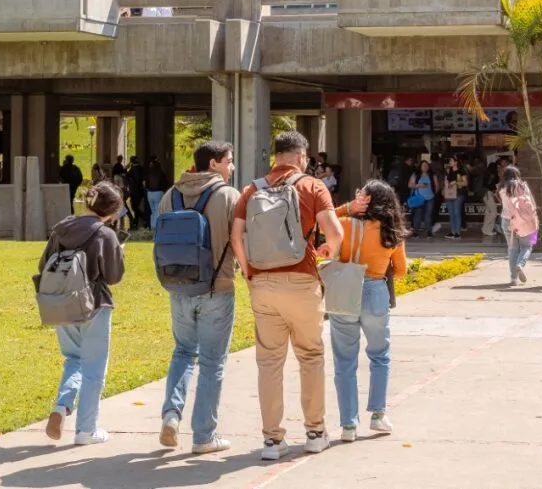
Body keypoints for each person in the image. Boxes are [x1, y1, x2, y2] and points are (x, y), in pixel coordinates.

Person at [230, 130, 343, 461]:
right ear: (300, 156)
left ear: (276, 156)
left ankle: (271, 440)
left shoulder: (251, 190)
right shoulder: (311, 186)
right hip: (302, 280)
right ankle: (315, 432)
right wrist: (328, 250)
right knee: (310, 356)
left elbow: (237, 237)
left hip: (262, 283)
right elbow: (334, 232)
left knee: (269, 362)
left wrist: (249, 271)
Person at [158, 141, 241, 455]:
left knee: (182, 352)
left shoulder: (170, 196)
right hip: (216, 289)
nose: (231, 168)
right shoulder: (228, 196)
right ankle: (204, 435)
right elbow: (238, 240)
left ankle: (170, 414)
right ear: (215, 162)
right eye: (229, 161)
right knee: (211, 362)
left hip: (178, 287)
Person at [42, 181, 125, 446]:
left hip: (62, 302)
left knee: (73, 359)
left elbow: (44, 264)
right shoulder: (105, 235)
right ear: (112, 211)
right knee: (94, 369)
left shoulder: (61, 228)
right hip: (94, 304)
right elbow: (113, 277)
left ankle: (62, 405)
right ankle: (86, 429)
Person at [330, 180, 408, 442]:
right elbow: (401, 270)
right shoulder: (391, 231)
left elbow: (322, 222)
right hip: (375, 291)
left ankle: (348, 425)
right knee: (379, 356)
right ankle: (378, 415)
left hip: (345, 291)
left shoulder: (345, 225)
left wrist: (346, 209)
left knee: (344, 361)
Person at [499, 166, 539, 286]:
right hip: (524, 222)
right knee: (527, 246)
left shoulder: (501, 188)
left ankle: (513, 279)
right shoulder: (523, 186)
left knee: (512, 249)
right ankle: (520, 264)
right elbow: (532, 203)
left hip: (507, 221)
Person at [408, 160, 436, 238]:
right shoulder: (416, 175)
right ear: (420, 167)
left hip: (430, 198)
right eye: (423, 165)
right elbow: (410, 185)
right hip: (419, 198)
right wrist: (418, 186)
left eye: (426, 165)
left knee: (428, 216)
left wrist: (433, 194)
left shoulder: (432, 175)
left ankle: (429, 232)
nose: (425, 167)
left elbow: (436, 186)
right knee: (418, 215)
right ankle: (415, 232)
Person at [443, 156, 467, 240]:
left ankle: (457, 232)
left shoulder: (461, 171)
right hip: (449, 193)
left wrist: (455, 182)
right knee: (451, 213)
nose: (450, 162)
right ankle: (452, 231)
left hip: (459, 194)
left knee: (456, 212)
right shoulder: (448, 171)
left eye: (451, 160)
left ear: (456, 162)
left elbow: (465, 183)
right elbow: (445, 181)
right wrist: (446, 187)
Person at [146, 156, 168, 230]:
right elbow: (165, 184)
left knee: (153, 211)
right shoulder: (162, 174)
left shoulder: (149, 174)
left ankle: (152, 226)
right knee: (158, 210)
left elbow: (146, 184)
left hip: (149, 193)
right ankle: (158, 227)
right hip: (159, 193)